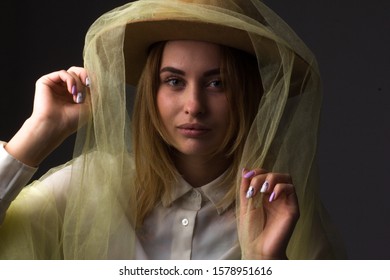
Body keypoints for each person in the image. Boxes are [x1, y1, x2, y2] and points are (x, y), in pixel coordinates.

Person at [0, 0, 345, 259]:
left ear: (248, 93)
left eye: (217, 83)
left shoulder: (284, 219)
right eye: (174, 81)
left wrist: (264, 265)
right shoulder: (89, 189)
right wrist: (38, 133)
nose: (194, 105)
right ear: (152, 91)